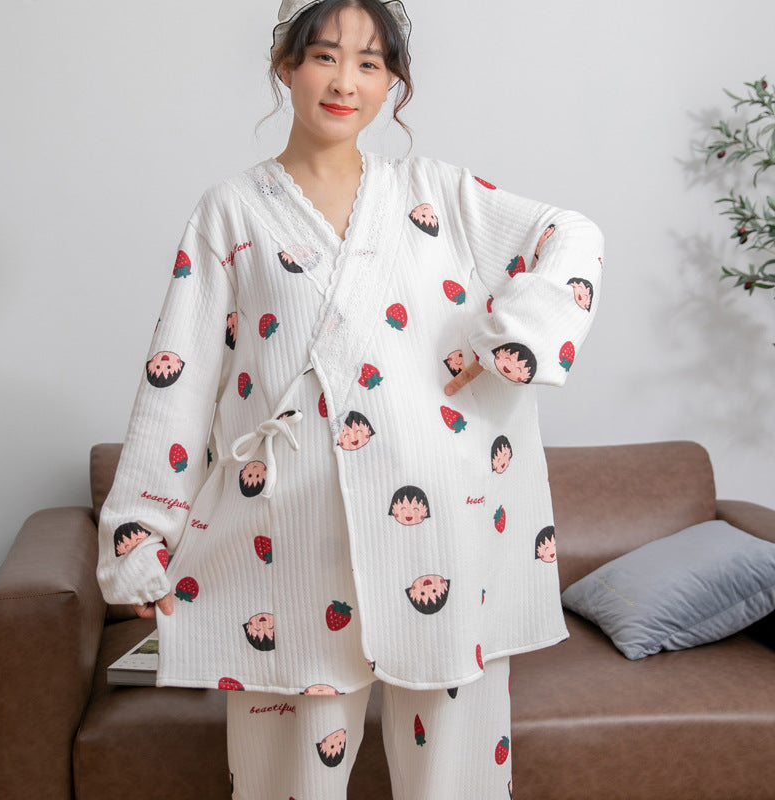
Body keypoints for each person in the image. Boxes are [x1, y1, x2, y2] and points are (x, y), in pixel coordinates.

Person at [95, 0, 604, 797]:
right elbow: (178, 376)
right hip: (289, 538)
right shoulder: (230, 211)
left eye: (370, 63)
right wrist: (140, 537)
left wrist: (511, 336)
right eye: (325, 56)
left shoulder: (439, 194)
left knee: (456, 781)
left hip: (442, 529)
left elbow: (571, 235)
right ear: (286, 66)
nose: (345, 82)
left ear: (392, 82)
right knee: (286, 782)